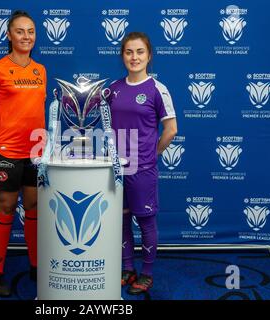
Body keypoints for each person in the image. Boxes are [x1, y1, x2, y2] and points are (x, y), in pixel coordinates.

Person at [0, 10, 46, 297]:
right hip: (5, 152)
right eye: (20, 31)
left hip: (35, 153)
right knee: (5, 209)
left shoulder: (40, 70)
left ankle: (35, 266)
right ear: (8, 35)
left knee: (33, 208)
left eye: (30, 31)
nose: (26, 36)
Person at [108, 32, 177, 295]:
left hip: (142, 169)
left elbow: (171, 129)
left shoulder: (157, 89)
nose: (134, 57)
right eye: (128, 52)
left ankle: (146, 273)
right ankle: (128, 267)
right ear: (122, 56)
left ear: (149, 55)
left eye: (139, 52)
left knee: (146, 222)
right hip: (115, 170)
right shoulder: (112, 89)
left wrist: (151, 154)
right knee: (122, 221)